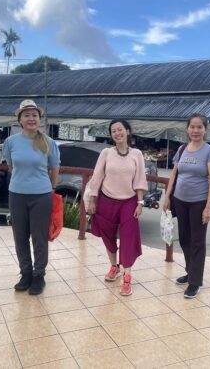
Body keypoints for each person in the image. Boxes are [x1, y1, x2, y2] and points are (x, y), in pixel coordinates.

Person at [2, 99, 60, 295]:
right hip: (17, 194)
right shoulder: (10, 142)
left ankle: (38, 275)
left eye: (34, 115)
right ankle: (25, 273)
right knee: (20, 236)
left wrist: (51, 188)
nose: (31, 118)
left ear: (39, 119)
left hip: (42, 195)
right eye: (26, 115)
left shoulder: (48, 142)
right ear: (20, 120)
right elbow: (10, 166)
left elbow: (55, 168)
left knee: (39, 237)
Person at [87, 119, 148, 296]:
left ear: (128, 131)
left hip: (129, 202)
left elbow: (139, 180)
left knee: (129, 237)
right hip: (106, 200)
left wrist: (140, 202)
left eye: (120, 130)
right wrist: (92, 200)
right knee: (108, 235)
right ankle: (114, 266)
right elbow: (97, 177)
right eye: (113, 131)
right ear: (111, 135)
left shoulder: (137, 154)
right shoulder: (106, 153)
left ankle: (127, 275)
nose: (117, 133)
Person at [163, 113, 210, 299]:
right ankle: (190, 272)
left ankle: (195, 282)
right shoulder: (182, 149)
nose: (195, 130)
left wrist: (208, 207)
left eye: (199, 127)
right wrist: (167, 196)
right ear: (187, 129)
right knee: (185, 239)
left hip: (198, 202)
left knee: (197, 242)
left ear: (205, 129)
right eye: (192, 127)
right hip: (180, 200)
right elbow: (174, 175)